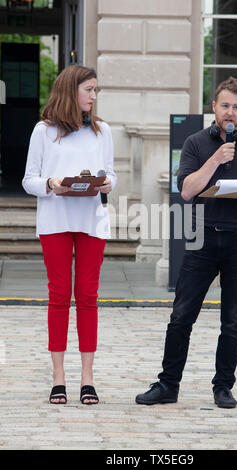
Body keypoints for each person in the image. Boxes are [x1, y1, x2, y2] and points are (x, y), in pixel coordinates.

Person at [136, 76, 237, 409]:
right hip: (203, 238)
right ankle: (168, 385)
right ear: (213, 107)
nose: (230, 113)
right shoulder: (197, 143)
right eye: (225, 106)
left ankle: (223, 387)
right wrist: (215, 159)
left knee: (233, 319)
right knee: (182, 315)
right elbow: (186, 190)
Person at [22, 65, 117, 405]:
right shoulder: (43, 131)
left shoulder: (102, 130)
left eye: (96, 90)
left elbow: (111, 174)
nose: (94, 95)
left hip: (92, 220)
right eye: (89, 89)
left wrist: (107, 182)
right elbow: (29, 179)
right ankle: (58, 377)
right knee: (60, 295)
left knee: (88, 296)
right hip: (55, 219)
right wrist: (50, 184)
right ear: (70, 90)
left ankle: (87, 379)